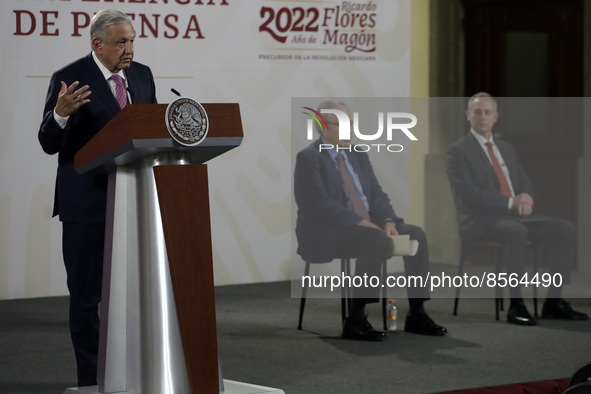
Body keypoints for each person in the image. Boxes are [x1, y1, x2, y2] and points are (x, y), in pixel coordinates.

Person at [38, 9, 157, 386]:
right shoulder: (69, 79)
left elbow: (149, 130)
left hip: (134, 199)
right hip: (87, 205)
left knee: (136, 292)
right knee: (88, 298)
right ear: (97, 44)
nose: (129, 48)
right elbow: (47, 143)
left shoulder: (141, 75)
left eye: (133, 40)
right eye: (121, 42)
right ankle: (91, 379)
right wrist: (59, 114)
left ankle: (134, 371)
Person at [294, 100, 447, 341]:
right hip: (330, 232)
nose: (350, 130)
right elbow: (316, 202)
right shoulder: (309, 157)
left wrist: (387, 219)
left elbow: (376, 194)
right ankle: (356, 318)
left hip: (369, 227)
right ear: (323, 127)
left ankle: (417, 313)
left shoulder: (358, 155)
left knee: (416, 234)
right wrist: (358, 221)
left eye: (351, 123)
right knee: (373, 239)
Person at [446, 92, 587, 326]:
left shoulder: (506, 148)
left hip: (516, 217)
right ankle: (516, 304)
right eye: (477, 112)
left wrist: (527, 198)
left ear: (496, 117)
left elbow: (524, 181)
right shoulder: (458, 151)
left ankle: (554, 301)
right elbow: (468, 194)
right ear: (467, 115)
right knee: (516, 232)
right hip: (480, 221)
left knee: (566, 229)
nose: (482, 116)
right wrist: (511, 202)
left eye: (487, 112)